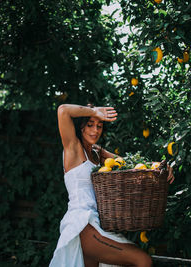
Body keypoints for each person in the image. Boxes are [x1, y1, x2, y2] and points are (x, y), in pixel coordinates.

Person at [49, 104, 152, 267]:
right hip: (83, 225)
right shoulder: (73, 148)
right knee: (142, 260)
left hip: (98, 224)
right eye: (90, 125)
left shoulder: (97, 152)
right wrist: (94, 111)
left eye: (99, 126)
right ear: (81, 127)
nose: (95, 130)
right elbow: (63, 110)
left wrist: (159, 166)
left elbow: (129, 164)